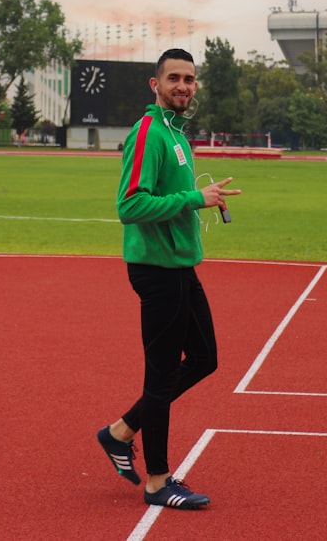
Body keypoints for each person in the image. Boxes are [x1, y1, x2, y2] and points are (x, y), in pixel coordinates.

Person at [97, 48, 240, 510]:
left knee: (204, 357)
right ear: (154, 85)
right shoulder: (147, 133)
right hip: (157, 271)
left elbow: (173, 194)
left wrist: (199, 197)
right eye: (174, 78)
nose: (184, 85)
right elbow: (129, 206)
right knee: (160, 378)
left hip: (180, 264)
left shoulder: (176, 134)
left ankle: (119, 432)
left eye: (190, 79)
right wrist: (194, 198)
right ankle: (158, 483)